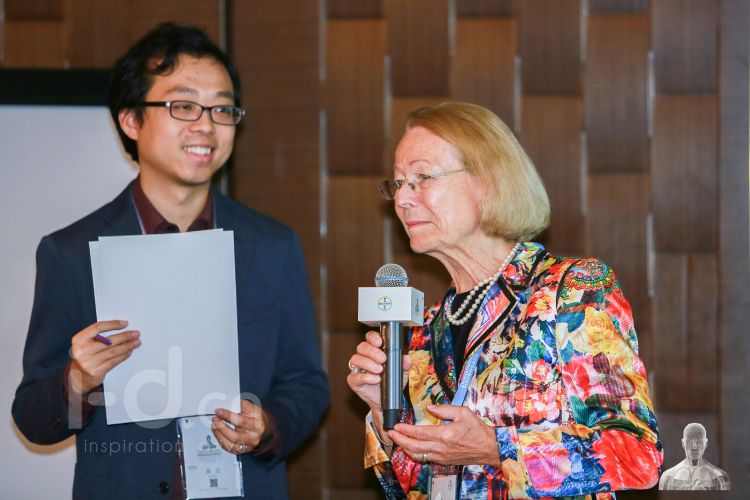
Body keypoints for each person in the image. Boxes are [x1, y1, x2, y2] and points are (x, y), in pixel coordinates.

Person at [12, 23, 329, 499]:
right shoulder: (71, 253)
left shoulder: (272, 246)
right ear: (131, 121)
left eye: (222, 108)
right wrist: (79, 380)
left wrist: (268, 425)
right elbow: (33, 419)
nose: (206, 125)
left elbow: (306, 384)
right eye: (183, 106)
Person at [347, 102, 662, 499]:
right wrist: (384, 411)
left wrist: (498, 450)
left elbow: (637, 455)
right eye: (398, 183)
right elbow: (412, 488)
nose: (402, 200)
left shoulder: (569, 291)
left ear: (489, 182)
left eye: (422, 177)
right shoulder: (424, 330)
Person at [659, 423, 730, 490]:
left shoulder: (720, 477)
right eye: (689, 441)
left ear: (706, 443)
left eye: (699, 441)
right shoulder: (667, 477)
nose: (694, 446)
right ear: (683, 443)